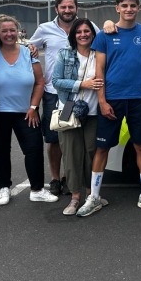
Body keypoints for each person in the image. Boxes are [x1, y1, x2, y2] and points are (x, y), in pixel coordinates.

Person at [76, 0, 141, 217]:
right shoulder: (105, 35)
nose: (129, 9)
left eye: (133, 5)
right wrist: (102, 101)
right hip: (112, 99)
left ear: (138, 8)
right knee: (102, 148)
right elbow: (99, 71)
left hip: (138, 99)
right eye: (124, 5)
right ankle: (94, 196)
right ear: (117, 8)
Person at [29, 0, 97, 196]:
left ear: (76, 8)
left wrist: (110, 23)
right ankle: (56, 178)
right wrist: (31, 47)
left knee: (80, 141)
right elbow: (29, 47)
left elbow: (105, 39)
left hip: (85, 97)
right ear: (56, 9)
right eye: (63, 7)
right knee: (55, 139)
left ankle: (71, 178)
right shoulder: (45, 29)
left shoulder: (88, 27)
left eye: (71, 7)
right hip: (55, 94)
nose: (67, 10)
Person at [0, 15, 58, 206]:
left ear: (18, 31)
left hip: (26, 112)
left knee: (34, 149)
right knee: (0, 151)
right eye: (4, 31)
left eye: (12, 30)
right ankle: (4, 187)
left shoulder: (29, 52)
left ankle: (37, 190)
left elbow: (40, 82)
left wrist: (33, 107)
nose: (9, 34)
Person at [52, 18, 104, 216]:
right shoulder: (65, 54)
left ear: (93, 33)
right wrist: (82, 84)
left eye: (87, 31)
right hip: (68, 107)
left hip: (93, 110)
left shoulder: (100, 54)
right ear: (73, 35)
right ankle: (75, 197)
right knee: (71, 153)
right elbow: (56, 81)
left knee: (92, 152)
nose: (83, 35)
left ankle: (92, 195)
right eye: (79, 32)